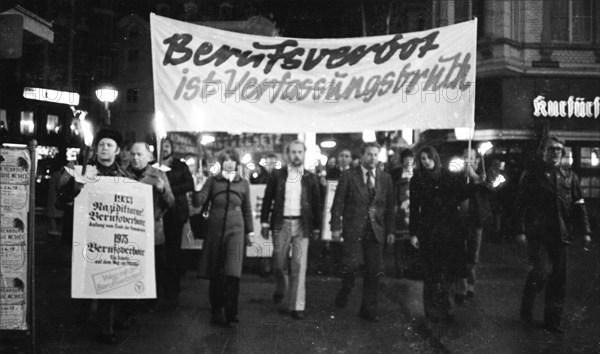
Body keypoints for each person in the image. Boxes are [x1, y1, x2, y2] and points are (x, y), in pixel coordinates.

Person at [56, 128, 134, 344]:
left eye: (109, 145)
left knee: (108, 282)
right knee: (84, 278)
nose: (104, 148)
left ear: (117, 150)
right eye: (101, 145)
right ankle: (82, 316)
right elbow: (61, 202)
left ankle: (106, 329)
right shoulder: (83, 172)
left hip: (111, 239)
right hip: (86, 235)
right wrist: (73, 186)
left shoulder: (126, 177)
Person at [516, 135, 591, 334]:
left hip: (561, 234)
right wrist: (520, 230)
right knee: (541, 272)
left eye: (559, 150)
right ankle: (527, 304)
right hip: (538, 234)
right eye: (552, 149)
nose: (556, 152)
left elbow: (579, 205)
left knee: (558, 280)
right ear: (543, 152)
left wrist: (586, 231)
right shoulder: (531, 175)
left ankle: (553, 321)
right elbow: (520, 205)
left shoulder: (569, 176)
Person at [330, 142, 396, 322]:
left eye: (376, 154)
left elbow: (390, 207)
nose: (373, 157)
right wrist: (335, 227)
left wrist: (390, 230)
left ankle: (368, 310)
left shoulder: (385, 178)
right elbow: (338, 204)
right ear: (362, 156)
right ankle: (346, 288)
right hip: (354, 230)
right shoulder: (348, 176)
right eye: (369, 154)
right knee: (350, 266)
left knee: (373, 272)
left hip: (376, 231)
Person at [260, 140, 321, 320]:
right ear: (287, 154)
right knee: (278, 264)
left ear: (304, 154)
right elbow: (267, 199)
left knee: (299, 265)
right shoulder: (277, 175)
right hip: (282, 223)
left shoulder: (310, 178)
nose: (296, 155)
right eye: (293, 152)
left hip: (303, 225)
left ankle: (296, 306)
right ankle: (281, 288)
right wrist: (264, 222)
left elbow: (316, 204)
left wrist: (317, 227)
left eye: (299, 152)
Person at [192, 149, 254, 327]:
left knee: (233, 272)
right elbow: (198, 202)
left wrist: (250, 231)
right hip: (215, 230)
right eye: (225, 160)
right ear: (221, 163)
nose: (229, 163)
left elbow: (247, 209)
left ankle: (231, 311)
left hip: (236, 231)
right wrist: (198, 187)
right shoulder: (212, 181)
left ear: (237, 163)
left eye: (232, 160)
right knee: (216, 271)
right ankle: (216, 309)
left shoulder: (243, 184)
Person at [409, 146, 468, 323]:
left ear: (435, 157)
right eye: (422, 159)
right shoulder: (417, 180)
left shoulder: (448, 175)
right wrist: (414, 233)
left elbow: (462, 193)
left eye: (428, 158)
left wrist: (473, 178)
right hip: (429, 229)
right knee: (431, 271)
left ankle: (447, 307)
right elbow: (414, 208)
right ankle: (432, 309)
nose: (425, 161)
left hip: (450, 228)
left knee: (448, 271)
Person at [127, 142, 175, 307]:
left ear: (149, 157)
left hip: (153, 232)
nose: (135, 158)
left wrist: (162, 190)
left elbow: (171, 202)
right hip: (131, 231)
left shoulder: (158, 174)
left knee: (153, 268)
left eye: (139, 154)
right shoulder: (123, 174)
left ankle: (150, 301)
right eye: (132, 154)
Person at [161, 137, 195, 305]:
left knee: (173, 251)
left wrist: (169, 190)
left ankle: (173, 289)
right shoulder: (155, 166)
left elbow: (190, 184)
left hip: (176, 213)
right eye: (163, 146)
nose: (165, 149)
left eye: (167, 146)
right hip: (160, 213)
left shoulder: (180, 166)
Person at [455, 148, 491, 303]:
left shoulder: (483, 175)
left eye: (470, 158)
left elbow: (491, 189)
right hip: (459, 220)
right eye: (465, 157)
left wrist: (476, 179)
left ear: (476, 160)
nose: (467, 161)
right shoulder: (456, 176)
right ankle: (462, 287)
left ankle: (471, 281)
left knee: (472, 255)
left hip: (475, 221)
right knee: (460, 254)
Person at [392, 149, 414, 278]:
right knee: (399, 242)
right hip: (400, 211)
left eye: (410, 159)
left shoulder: (418, 174)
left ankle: (410, 268)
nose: (408, 162)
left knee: (412, 241)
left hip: (414, 211)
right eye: (406, 160)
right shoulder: (396, 174)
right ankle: (399, 269)